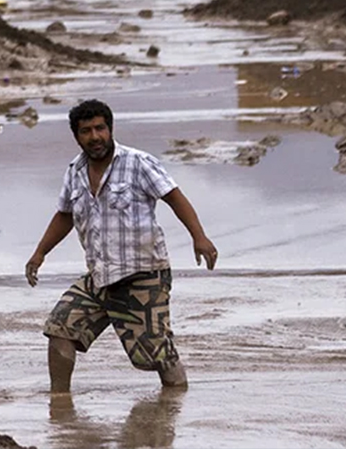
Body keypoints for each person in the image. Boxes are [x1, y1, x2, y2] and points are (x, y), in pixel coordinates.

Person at [25, 99, 218, 392]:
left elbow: (174, 197)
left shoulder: (138, 163)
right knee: (60, 328)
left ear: (110, 129)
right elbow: (64, 215)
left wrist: (199, 237)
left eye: (100, 128)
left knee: (154, 355)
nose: (95, 136)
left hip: (142, 274)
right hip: (100, 275)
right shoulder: (74, 171)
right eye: (86, 131)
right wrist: (39, 254)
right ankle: (59, 402)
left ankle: (174, 403)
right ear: (76, 136)